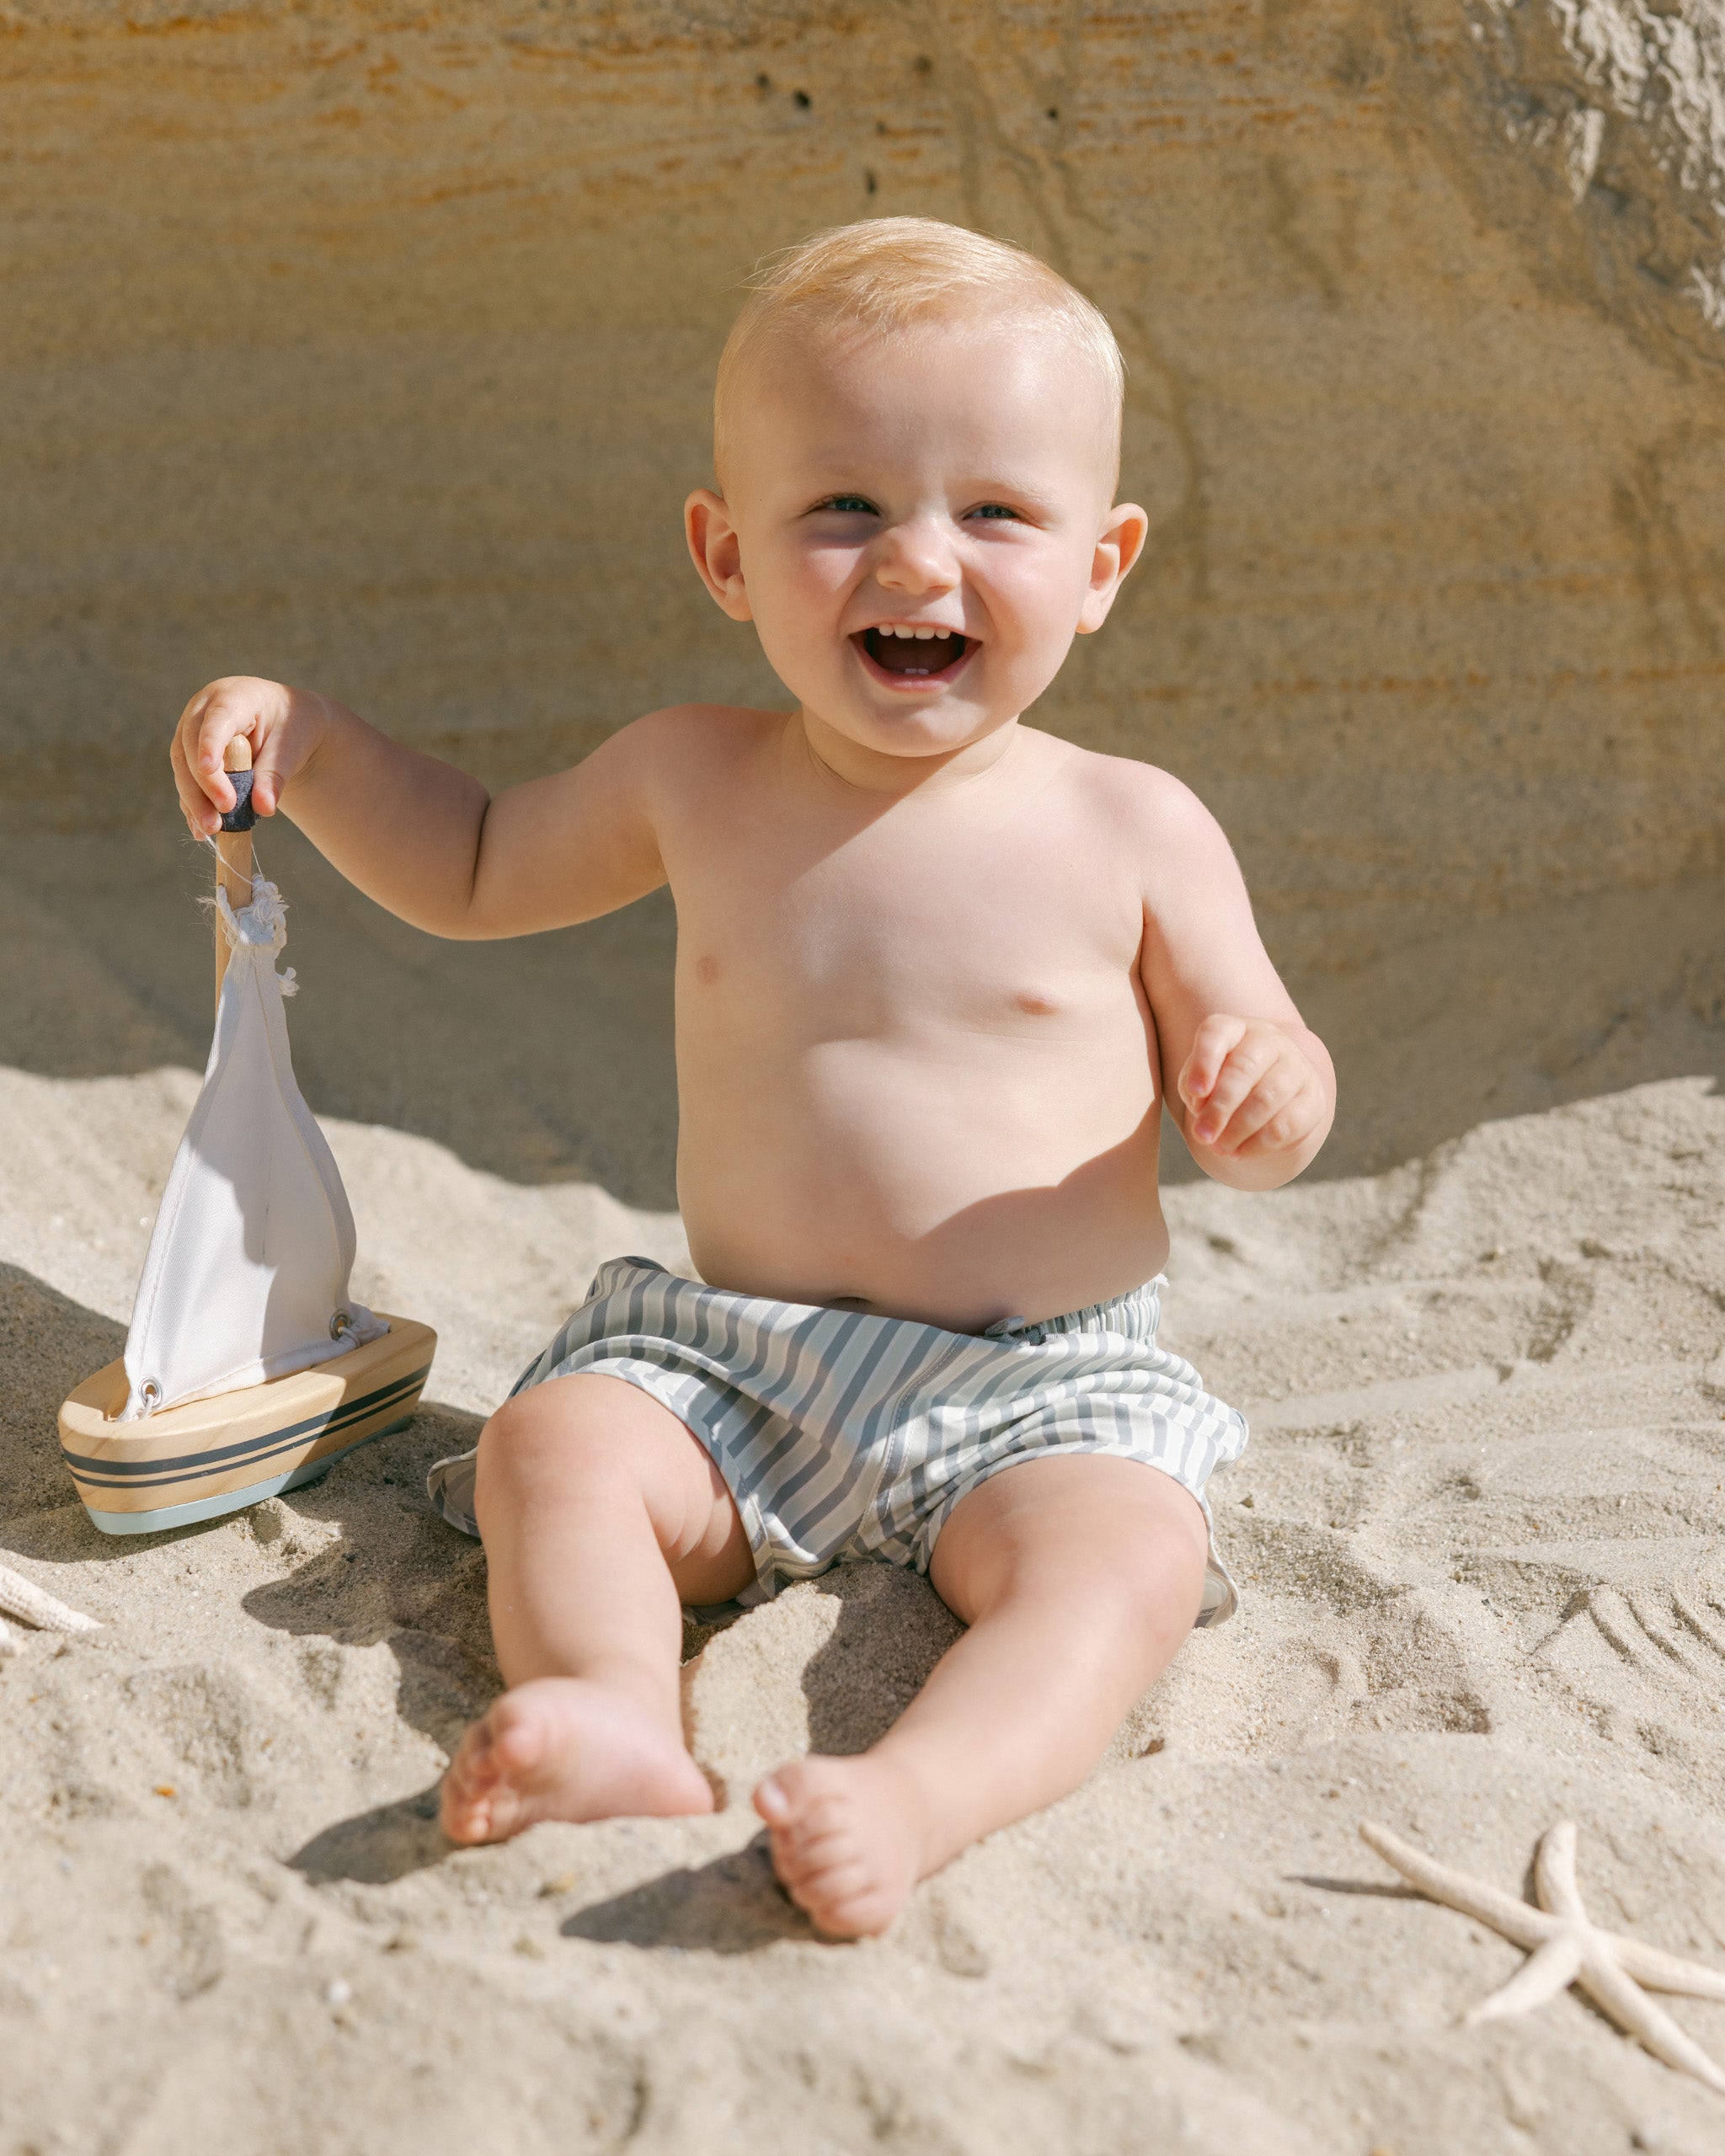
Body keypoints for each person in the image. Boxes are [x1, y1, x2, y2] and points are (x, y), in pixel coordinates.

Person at [169, 218, 1334, 1939]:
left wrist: (1260, 1090)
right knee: (555, 1448)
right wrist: (323, 748)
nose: (915, 560)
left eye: (996, 511)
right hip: (740, 1363)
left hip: (1040, 1383)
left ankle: (917, 1791)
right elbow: (479, 861)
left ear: (1102, 561)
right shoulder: (692, 776)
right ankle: (618, 1706)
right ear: (725, 550)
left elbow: (1270, 1057)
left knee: (1122, 1563)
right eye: (843, 506)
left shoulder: (1132, 824)